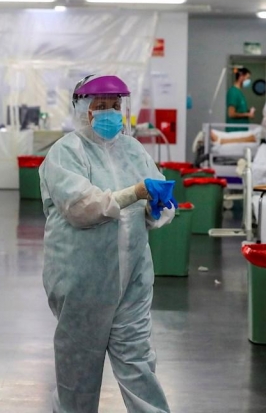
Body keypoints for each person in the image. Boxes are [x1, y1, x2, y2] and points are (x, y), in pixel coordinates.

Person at [40, 75, 177, 413]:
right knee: (79, 366)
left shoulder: (133, 149)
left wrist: (157, 207)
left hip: (133, 276)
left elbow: (158, 199)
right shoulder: (65, 153)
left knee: (139, 360)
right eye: (101, 106)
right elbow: (81, 208)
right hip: (82, 278)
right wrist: (136, 193)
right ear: (84, 110)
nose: (110, 113)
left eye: (116, 105)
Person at [226, 67, 255, 131]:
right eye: (247, 78)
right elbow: (231, 114)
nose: (248, 81)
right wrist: (247, 114)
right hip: (235, 131)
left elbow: (239, 110)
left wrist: (248, 111)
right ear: (241, 77)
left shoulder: (239, 92)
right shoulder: (233, 92)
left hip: (242, 130)